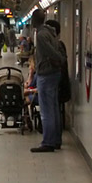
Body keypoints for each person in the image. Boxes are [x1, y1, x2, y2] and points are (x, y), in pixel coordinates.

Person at [29, 9, 66, 152]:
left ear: (34, 20)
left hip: (47, 74)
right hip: (53, 74)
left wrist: (59, 60)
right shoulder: (50, 32)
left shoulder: (41, 35)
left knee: (46, 110)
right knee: (54, 108)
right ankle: (56, 139)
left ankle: (48, 142)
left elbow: (50, 52)